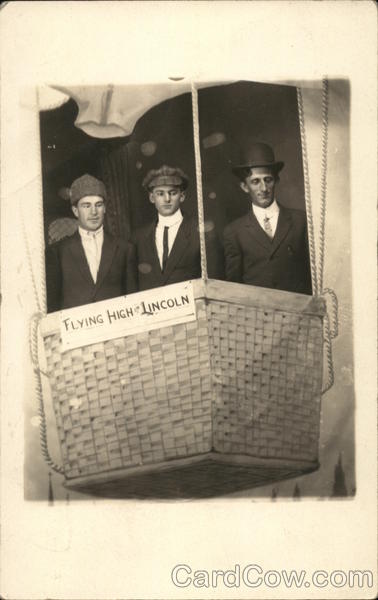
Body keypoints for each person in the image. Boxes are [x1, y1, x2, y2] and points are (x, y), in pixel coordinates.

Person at [223, 142, 312, 295]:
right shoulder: (234, 232)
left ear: (276, 181)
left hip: (298, 313)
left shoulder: (301, 221)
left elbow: (312, 276)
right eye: (255, 182)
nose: (263, 188)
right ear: (245, 187)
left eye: (268, 180)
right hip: (257, 315)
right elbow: (234, 288)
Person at [46, 173, 136, 312]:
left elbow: (133, 301)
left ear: (105, 208)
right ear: (75, 211)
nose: (94, 212)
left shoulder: (125, 249)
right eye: (86, 206)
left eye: (98, 205)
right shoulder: (58, 252)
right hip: (76, 332)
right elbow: (52, 307)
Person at [129, 165, 223, 291]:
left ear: (182, 196)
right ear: (152, 198)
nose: (167, 199)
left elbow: (214, 284)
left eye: (172, 193)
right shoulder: (138, 239)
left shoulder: (202, 234)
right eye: (160, 193)